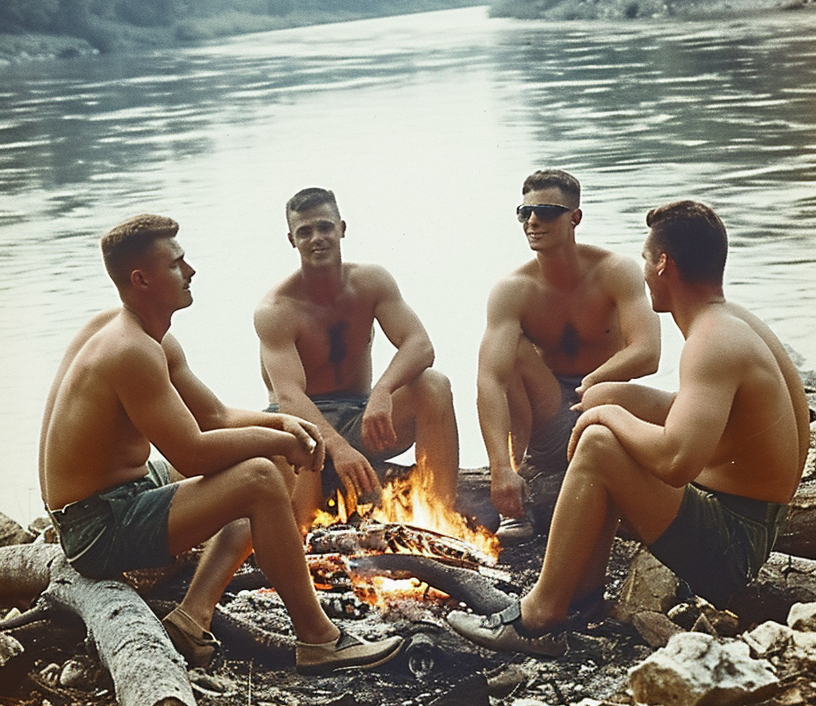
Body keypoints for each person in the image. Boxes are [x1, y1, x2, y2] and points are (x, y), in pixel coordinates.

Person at [39, 214, 404, 673]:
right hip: (96, 527)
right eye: (176, 264)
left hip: (116, 493)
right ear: (142, 279)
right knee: (258, 478)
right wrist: (278, 442)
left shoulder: (142, 333)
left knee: (267, 454)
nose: (190, 271)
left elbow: (214, 416)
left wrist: (287, 428)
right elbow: (192, 454)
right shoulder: (128, 350)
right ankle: (319, 639)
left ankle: (193, 617)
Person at [450, 200, 811, 654]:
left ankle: (538, 615)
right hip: (743, 521)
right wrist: (613, 397)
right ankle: (581, 595)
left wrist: (608, 417)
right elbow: (706, 415)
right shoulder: (732, 321)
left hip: (732, 546)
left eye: (644, 257)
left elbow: (677, 462)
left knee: (601, 442)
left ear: (664, 264)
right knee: (607, 401)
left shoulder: (711, 342)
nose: (641, 269)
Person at [253, 187, 459, 530]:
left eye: (324, 227)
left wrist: (381, 392)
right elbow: (289, 397)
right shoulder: (276, 309)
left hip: (361, 415)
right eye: (305, 232)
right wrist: (336, 447)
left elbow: (420, 345)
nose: (316, 238)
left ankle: (438, 523)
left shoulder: (370, 281)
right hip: (302, 426)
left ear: (342, 228)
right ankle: (304, 543)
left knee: (434, 385)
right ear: (291, 240)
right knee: (300, 467)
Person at [477, 169, 660, 539]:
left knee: (608, 395)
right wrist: (499, 468)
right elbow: (490, 380)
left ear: (574, 217)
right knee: (507, 350)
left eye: (545, 212)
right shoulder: (513, 289)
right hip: (550, 417)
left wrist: (594, 381)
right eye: (524, 212)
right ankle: (518, 489)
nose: (532, 222)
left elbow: (648, 353)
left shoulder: (616, 270)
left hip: (606, 405)